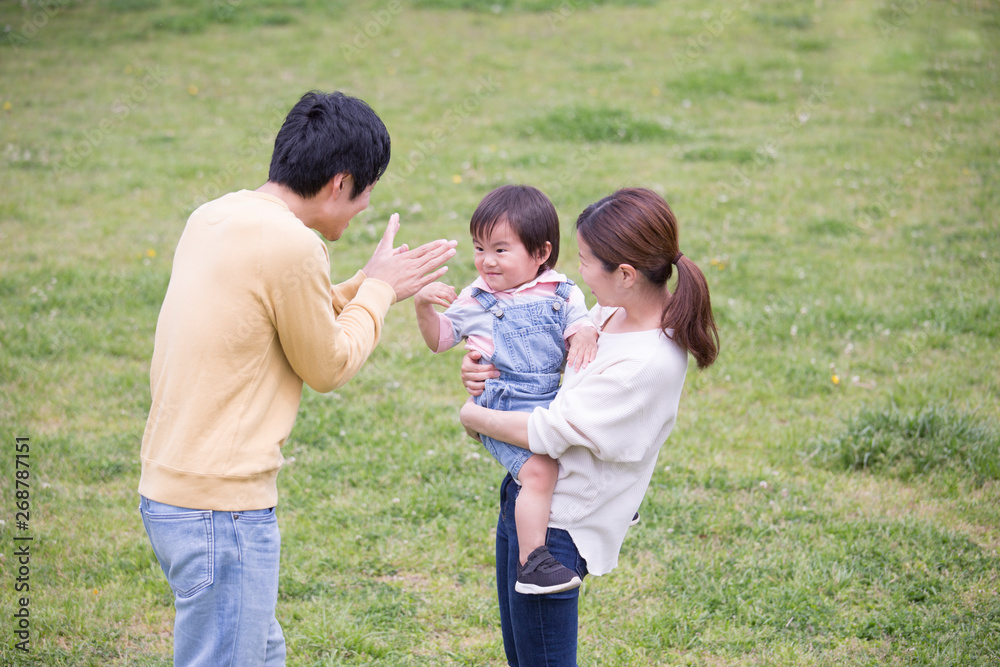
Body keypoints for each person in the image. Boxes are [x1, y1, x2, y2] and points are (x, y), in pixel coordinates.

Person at [137, 90, 457, 666]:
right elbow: (327, 364)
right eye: (365, 193)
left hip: (173, 491)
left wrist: (369, 283)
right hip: (222, 508)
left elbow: (279, 313)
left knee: (261, 655)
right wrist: (378, 291)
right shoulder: (294, 245)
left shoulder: (215, 215)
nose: (363, 208)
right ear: (340, 183)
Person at [459, 187, 719, 666]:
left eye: (584, 261)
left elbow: (549, 431)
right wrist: (485, 369)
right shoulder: (611, 313)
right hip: (527, 496)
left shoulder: (647, 362)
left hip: (558, 528)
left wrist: (473, 415)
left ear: (625, 274)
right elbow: (546, 355)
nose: (577, 272)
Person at [414, 185, 599, 595]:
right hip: (503, 403)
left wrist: (586, 332)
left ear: (541, 253)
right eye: (480, 248)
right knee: (539, 470)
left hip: (550, 399)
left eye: (500, 250)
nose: (487, 260)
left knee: (586, 437)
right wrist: (423, 307)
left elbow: (580, 328)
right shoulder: (476, 298)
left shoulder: (562, 291)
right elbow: (440, 339)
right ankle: (533, 562)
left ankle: (609, 502)